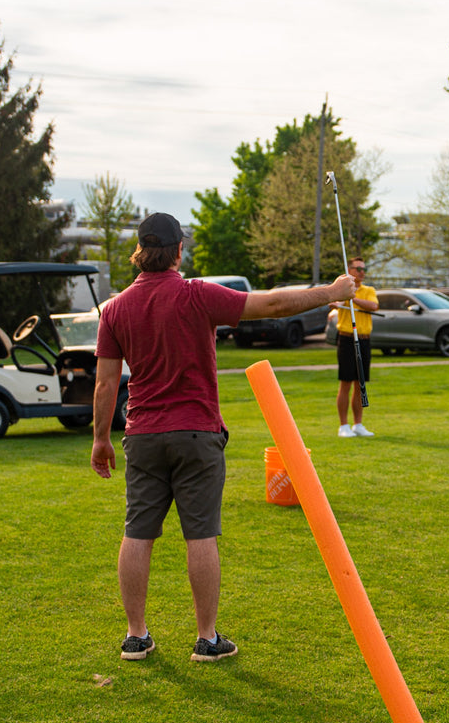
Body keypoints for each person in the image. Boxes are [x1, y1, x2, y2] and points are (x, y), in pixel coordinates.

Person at [91, 213, 356, 663]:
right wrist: (331, 293)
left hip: (143, 436)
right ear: (178, 251)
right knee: (200, 534)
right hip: (197, 433)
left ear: (140, 251)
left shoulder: (114, 309)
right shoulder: (196, 295)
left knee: (137, 533)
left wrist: (101, 439)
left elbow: (104, 383)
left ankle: (136, 636)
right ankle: (207, 639)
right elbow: (271, 305)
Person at [335, 257, 379, 438]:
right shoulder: (341, 289)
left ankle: (358, 424)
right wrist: (344, 296)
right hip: (346, 339)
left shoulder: (368, 290)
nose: (362, 272)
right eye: (358, 269)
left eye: (364, 269)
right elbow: (334, 302)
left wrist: (354, 297)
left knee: (360, 384)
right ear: (350, 270)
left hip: (364, 339)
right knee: (345, 383)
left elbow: (373, 306)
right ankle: (343, 425)